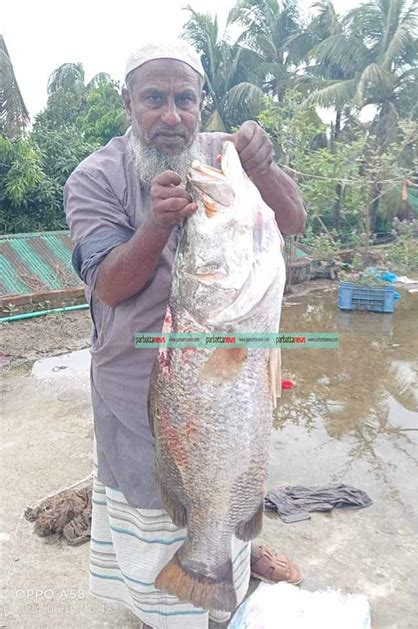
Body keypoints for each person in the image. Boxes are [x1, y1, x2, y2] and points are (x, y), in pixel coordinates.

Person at [64, 40, 306, 628]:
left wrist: (265, 167)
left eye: (185, 99)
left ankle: (219, 579)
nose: (171, 115)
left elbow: (293, 221)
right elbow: (109, 286)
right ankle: (165, 609)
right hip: (131, 381)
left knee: (227, 484)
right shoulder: (94, 177)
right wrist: (157, 225)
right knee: (150, 507)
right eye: (154, 98)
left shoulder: (229, 158)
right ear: (127, 102)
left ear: (203, 102)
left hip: (227, 370)